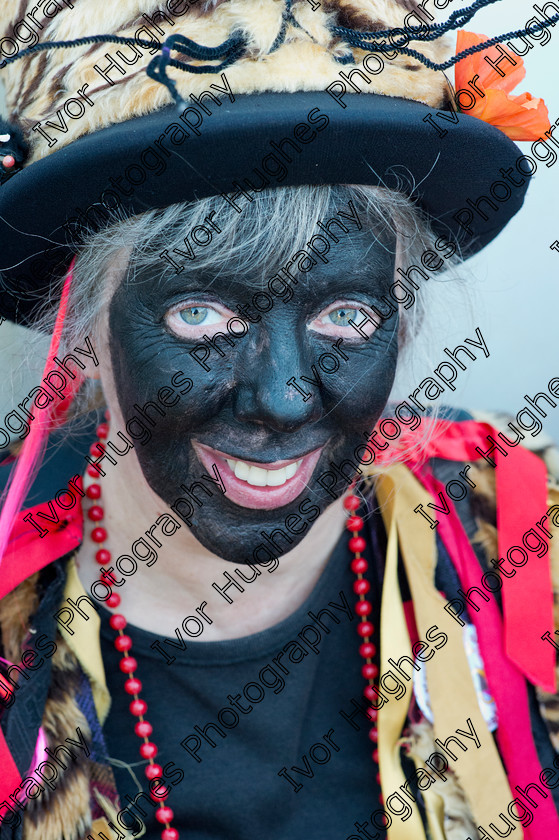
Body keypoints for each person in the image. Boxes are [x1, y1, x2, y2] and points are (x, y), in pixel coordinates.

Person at [0, 1, 558, 839]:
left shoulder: (528, 539)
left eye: (347, 318)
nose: (285, 399)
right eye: (198, 315)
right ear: (83, 331)